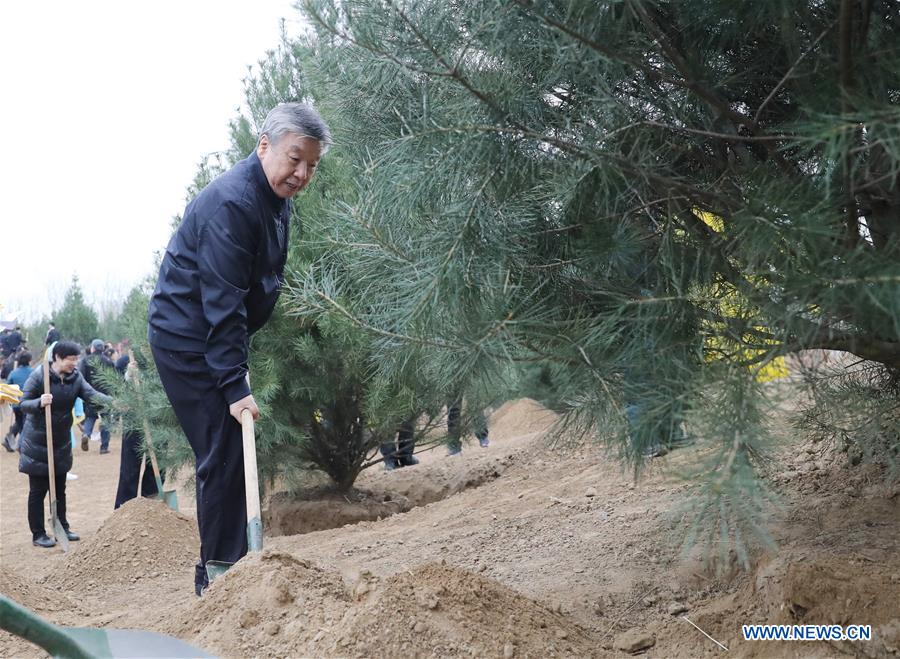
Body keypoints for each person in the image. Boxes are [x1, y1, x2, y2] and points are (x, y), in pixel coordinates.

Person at [148, 102, 330, 596]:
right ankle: (221, 576)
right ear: (264, 145)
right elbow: (222, 301)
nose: (302, 173)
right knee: (223, 449)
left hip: (214, 335)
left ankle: (230, 563)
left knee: (229, 446)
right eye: (295, 159)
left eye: (312, 165)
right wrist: (233, 383)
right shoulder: (234, 202)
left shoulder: (272, 199)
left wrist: (235, 369)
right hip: (187, 338)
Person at [17, 341, 111, 547]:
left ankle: (63, 526)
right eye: (71, 359)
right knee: (38, 490)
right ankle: (38, 533)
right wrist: (39, 402)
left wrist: (115, 402)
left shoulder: (75, 378)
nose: (74, 363)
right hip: (38, 443)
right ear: (58, 358)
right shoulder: (39, 376)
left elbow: (92, 396)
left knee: (60, 488)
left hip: (60, 442)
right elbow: (22, 404)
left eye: (76, 359)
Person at [78, 339, 116, 454]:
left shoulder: (85, 360)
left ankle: (86, 434)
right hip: (105, 394)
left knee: (90, 417)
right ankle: (104, 447)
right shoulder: (108, 361)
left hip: (90, 393)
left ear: (92, 348)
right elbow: (113, 379)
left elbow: (81, 377)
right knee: (105, 420)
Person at [2, 351, 34, 452]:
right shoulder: (33, 372)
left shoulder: (14, 373)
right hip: (29, 403)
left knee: (20, 423)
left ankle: (10, 440)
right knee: (26, 425)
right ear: (29, 360)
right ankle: (21, 444)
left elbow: (7, 386)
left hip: (16, 404)